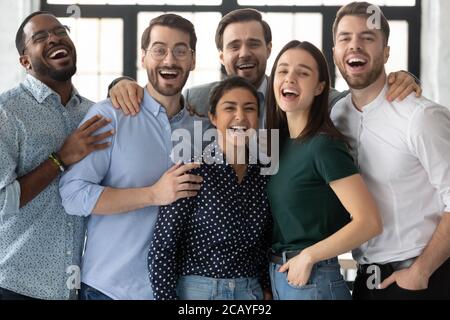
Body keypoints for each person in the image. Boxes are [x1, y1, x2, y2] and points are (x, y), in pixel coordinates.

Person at [59, 14, 203, 300]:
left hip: (179, 292)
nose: (169, 60)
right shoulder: (109, 116)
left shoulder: (202, 128)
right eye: (159, 49)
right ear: (143, 57)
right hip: (110, 290)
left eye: (180, 50)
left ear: (193, 60)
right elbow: (73, 195)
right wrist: (153, 194)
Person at [108, 8, 421, 126]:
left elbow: (353, 97)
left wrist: (403, 77)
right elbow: (159, 102)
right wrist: (120, 83)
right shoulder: (195, 100)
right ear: (220, 55)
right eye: (234, 46)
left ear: (269, 49)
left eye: (254, 44)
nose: (245, 53)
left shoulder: (299, 94)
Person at [330, 2, 450, 300]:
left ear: (385, 52)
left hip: (423, 278)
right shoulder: (335, 116)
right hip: (365, 280)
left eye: (367, 37)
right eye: (344, 38)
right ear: (334, 52)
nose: (354, 45)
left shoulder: (420, 116)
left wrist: (421, 271)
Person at [0, 11, 113, 300]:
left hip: (73, 288)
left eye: (60, 31)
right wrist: (59, 159)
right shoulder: (6, 113)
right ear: (25, 61)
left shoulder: (92, 113)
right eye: (40, 37)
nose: (54, 38)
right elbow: (4, 202)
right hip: (15, 285)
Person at [265, 40, 382, 300]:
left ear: (320, 87)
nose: (290, 78)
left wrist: (309, 256)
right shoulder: (277, 143)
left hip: (312, 279)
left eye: (303, 73)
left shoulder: (323, 146)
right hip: (280, 278)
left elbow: (369, 222)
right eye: (283, 71)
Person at [148, 76, 272, 300]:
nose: (240, 117)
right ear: (213, 117)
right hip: (198, 292)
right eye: (229, 108)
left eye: (249, 108)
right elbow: (162, 248)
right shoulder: (193, 169)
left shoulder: (264, 174)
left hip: (250, 292)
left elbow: (264, 244)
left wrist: (265, 287)